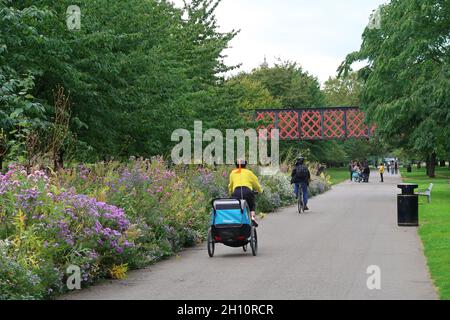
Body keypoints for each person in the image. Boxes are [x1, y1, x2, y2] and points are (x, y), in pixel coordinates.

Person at [229, 159, 263, 226]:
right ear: (245, 165)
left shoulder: (233, 173)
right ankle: (252, 218)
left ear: (236, 165)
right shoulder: (249, 172)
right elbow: (256, 183)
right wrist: (260, 191)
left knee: (236, 206)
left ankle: (236, 220)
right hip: (247, 191)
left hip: (236, 192)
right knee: (251, 205)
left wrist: (230, 193)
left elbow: (230, 185)